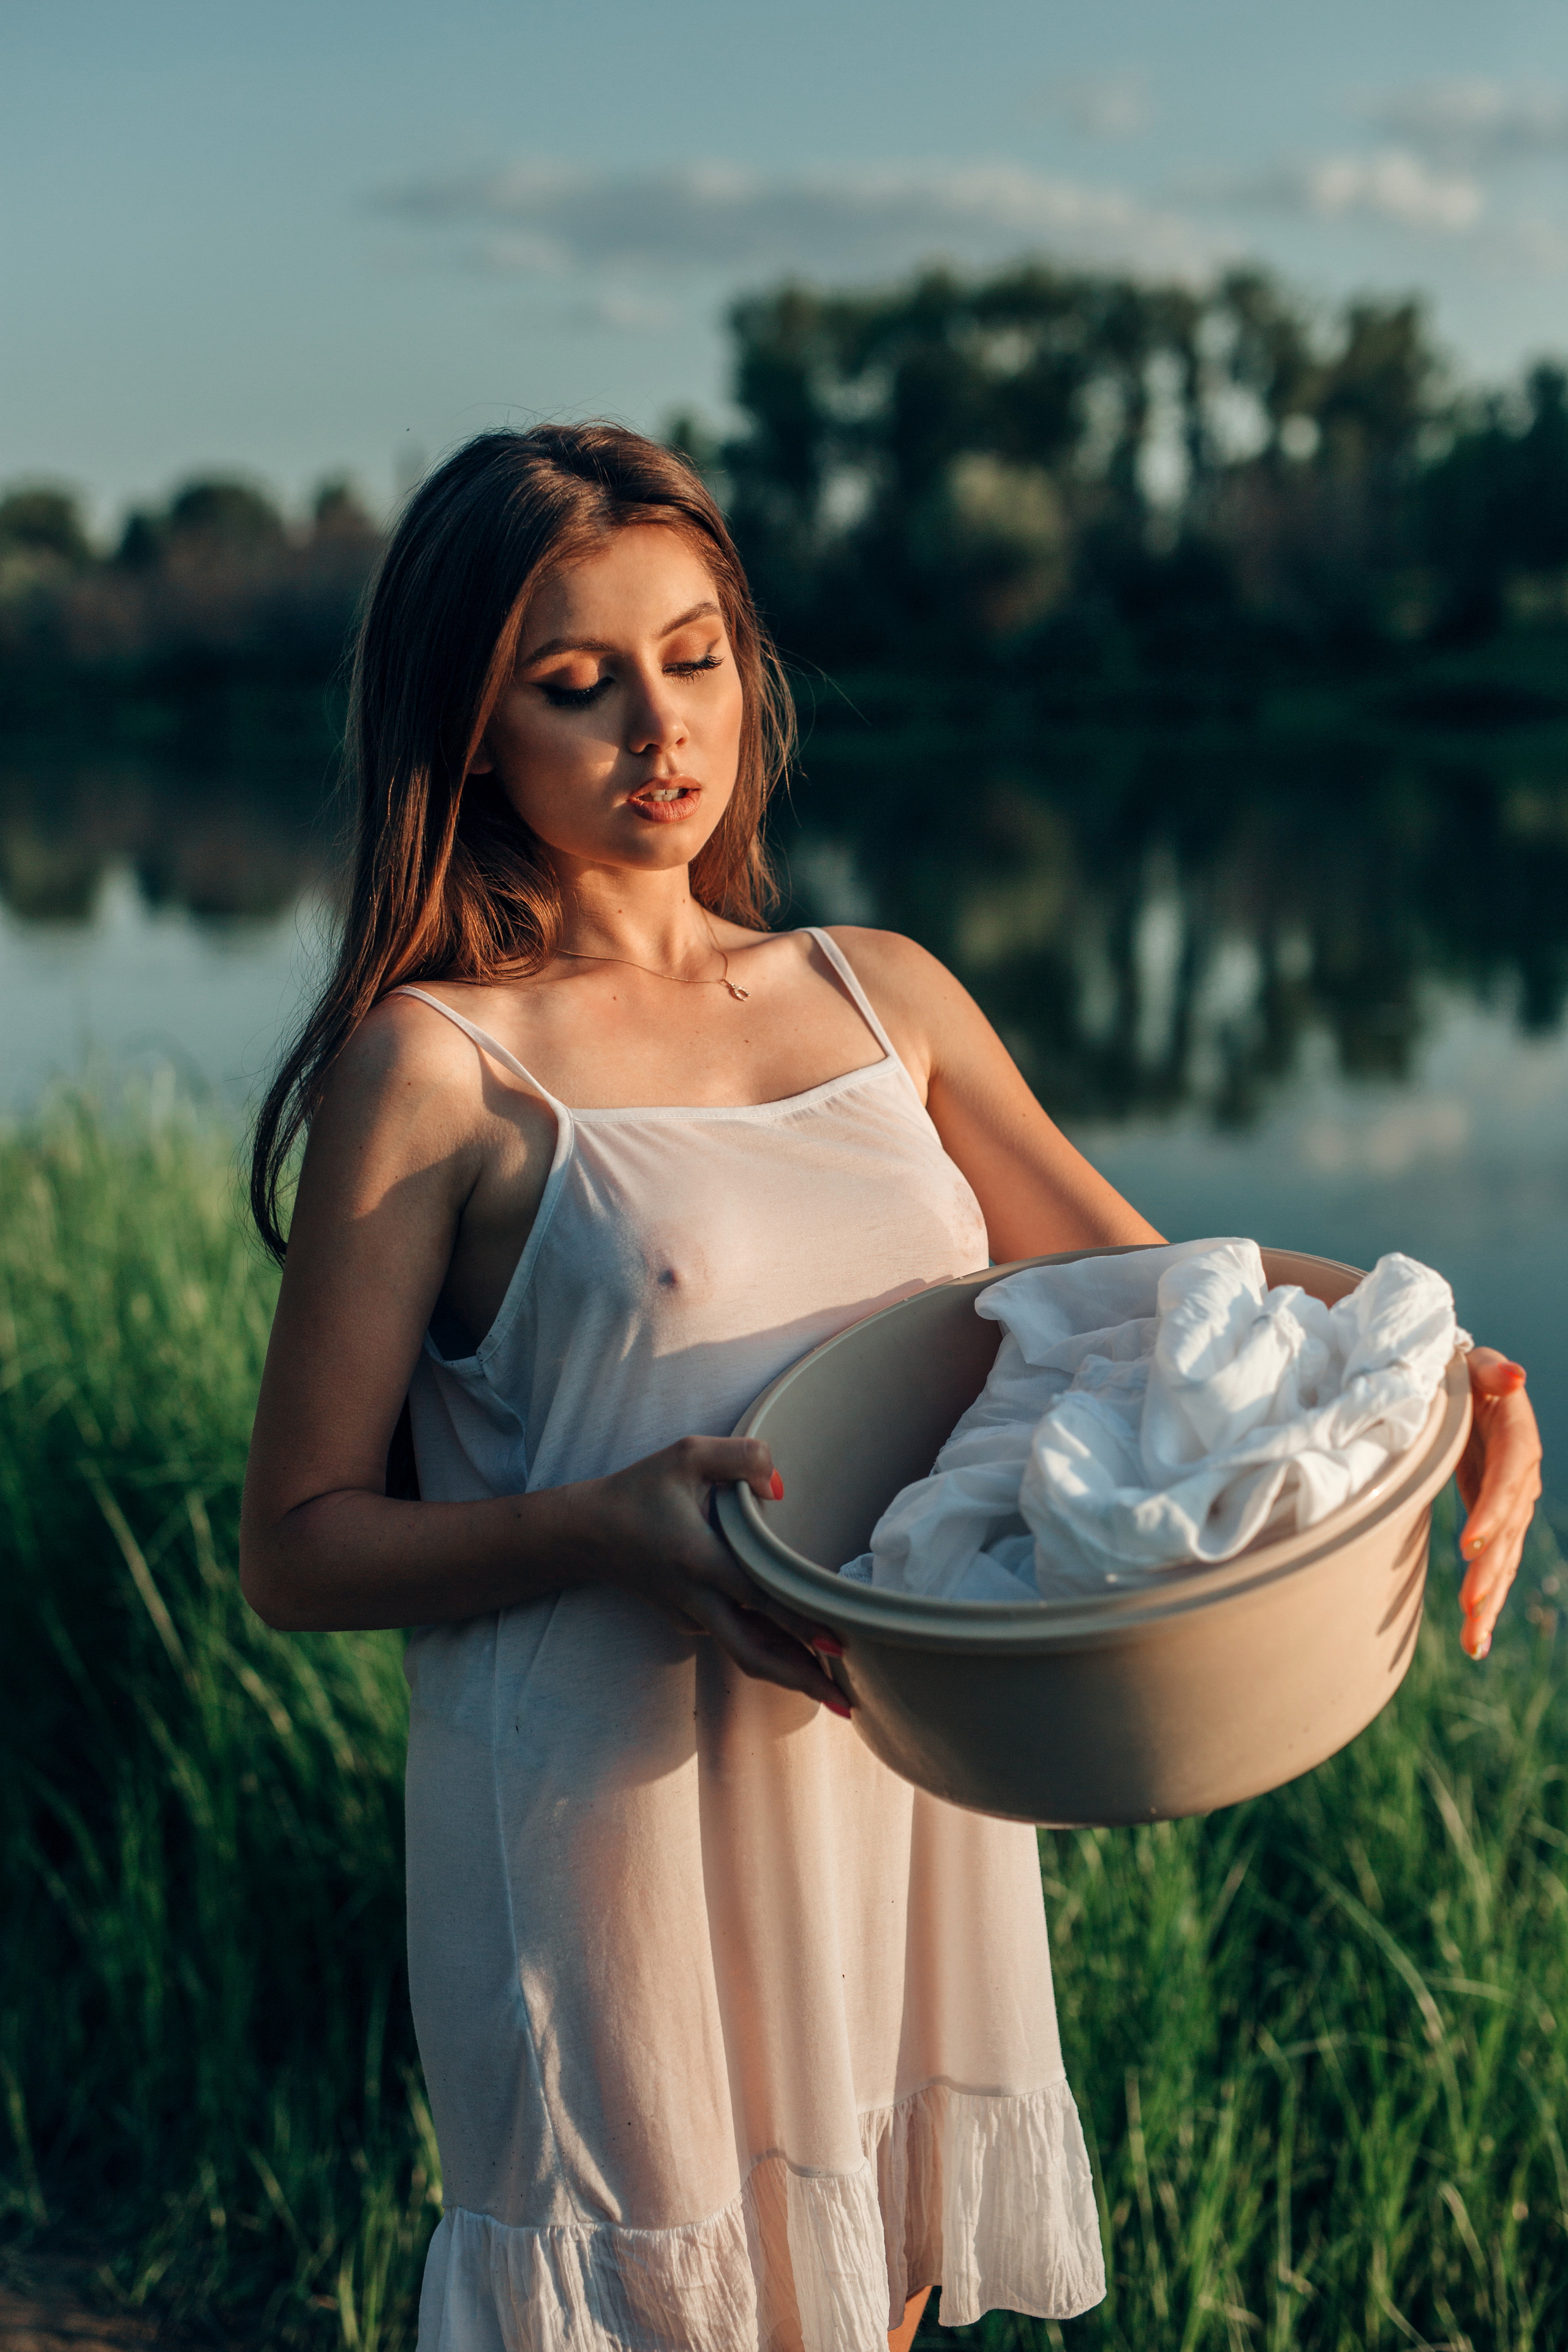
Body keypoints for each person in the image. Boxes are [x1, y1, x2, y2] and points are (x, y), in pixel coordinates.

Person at [239, 423, 1544, 2352]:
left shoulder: (881, 995)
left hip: (901, 1748)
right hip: (610, 1803)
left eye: (695, 657)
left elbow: (1168, 1315)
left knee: (882, 2278)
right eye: (577, 684)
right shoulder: (436, 1069)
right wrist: (608, 1528)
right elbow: (297, 1547)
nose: (660, 730)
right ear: (473, 728)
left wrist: (1435, 1367)